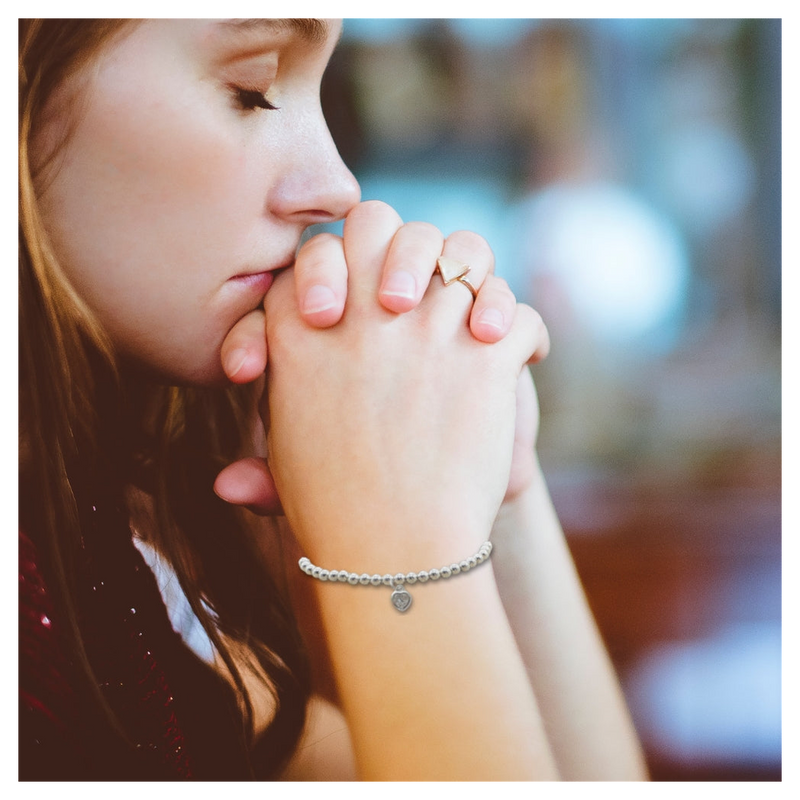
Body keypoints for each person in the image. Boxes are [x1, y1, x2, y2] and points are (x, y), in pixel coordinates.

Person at [15, 15, 649, 784]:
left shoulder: (104, 562)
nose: (338, 186)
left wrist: (486, 474)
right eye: (250, 90)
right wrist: (402, 538)